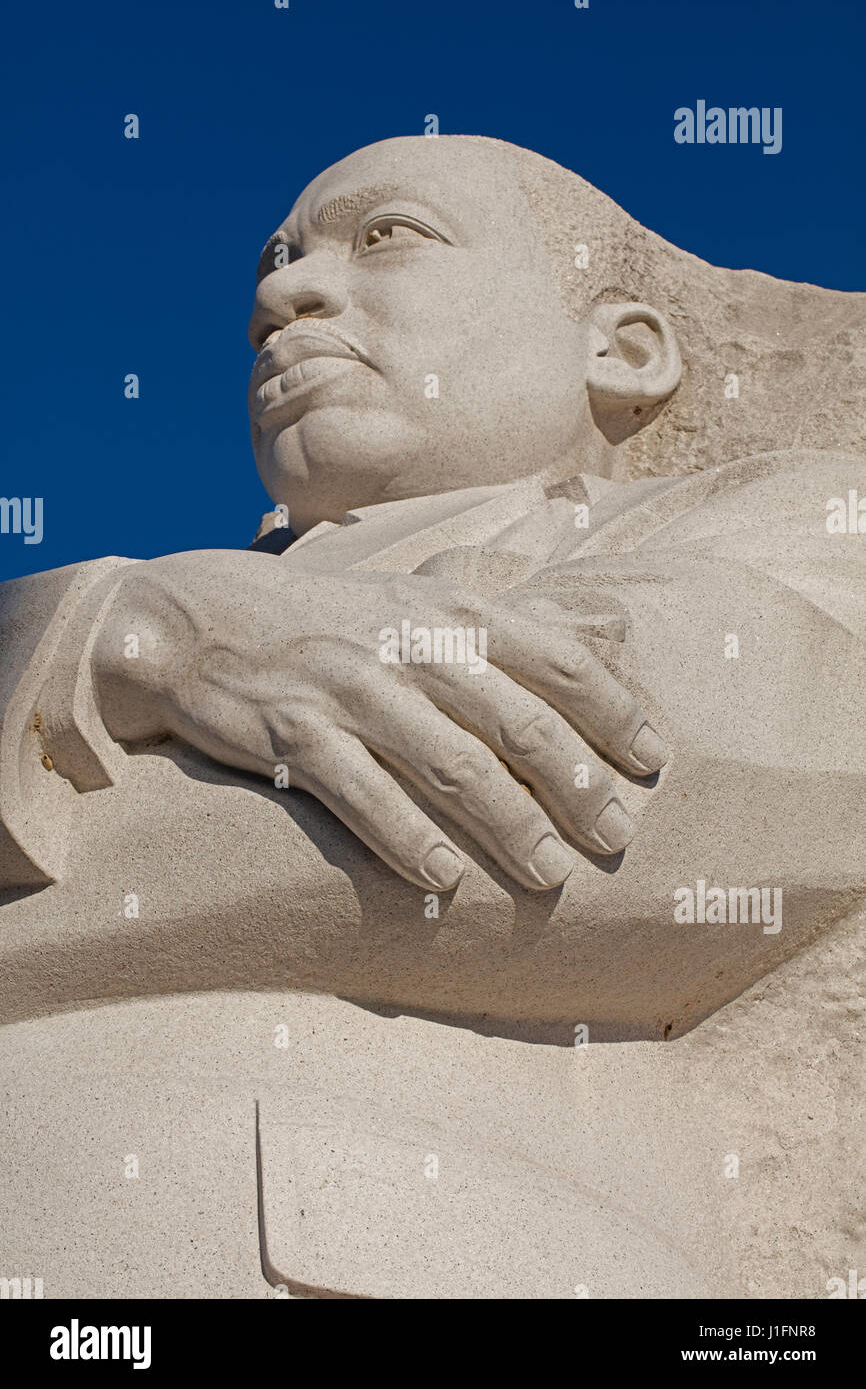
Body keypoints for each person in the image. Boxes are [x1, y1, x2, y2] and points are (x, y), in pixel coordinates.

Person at [0, 137, 863, 1297]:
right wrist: (120, 627)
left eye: (385, 235)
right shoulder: (89, 614)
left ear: (620, 348)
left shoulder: (776, 526)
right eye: (278, 256)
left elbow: (595, 825)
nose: (278, 295)